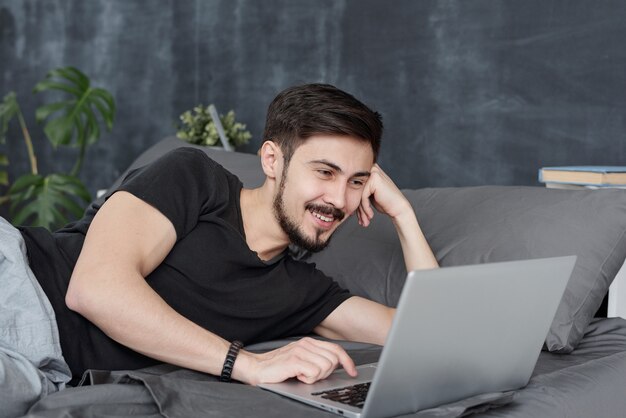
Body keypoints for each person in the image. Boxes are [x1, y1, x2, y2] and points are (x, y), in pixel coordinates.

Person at [0, 83, 438, 417]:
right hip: (17, 281)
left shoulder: (299, 292)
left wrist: (403, 215)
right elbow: (94, 288)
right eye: (325, 172)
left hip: (44, 372)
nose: (340, 199)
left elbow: (433, 337)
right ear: (272, 161)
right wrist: (246, 364)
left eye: (357, 182)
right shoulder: (195, 178)